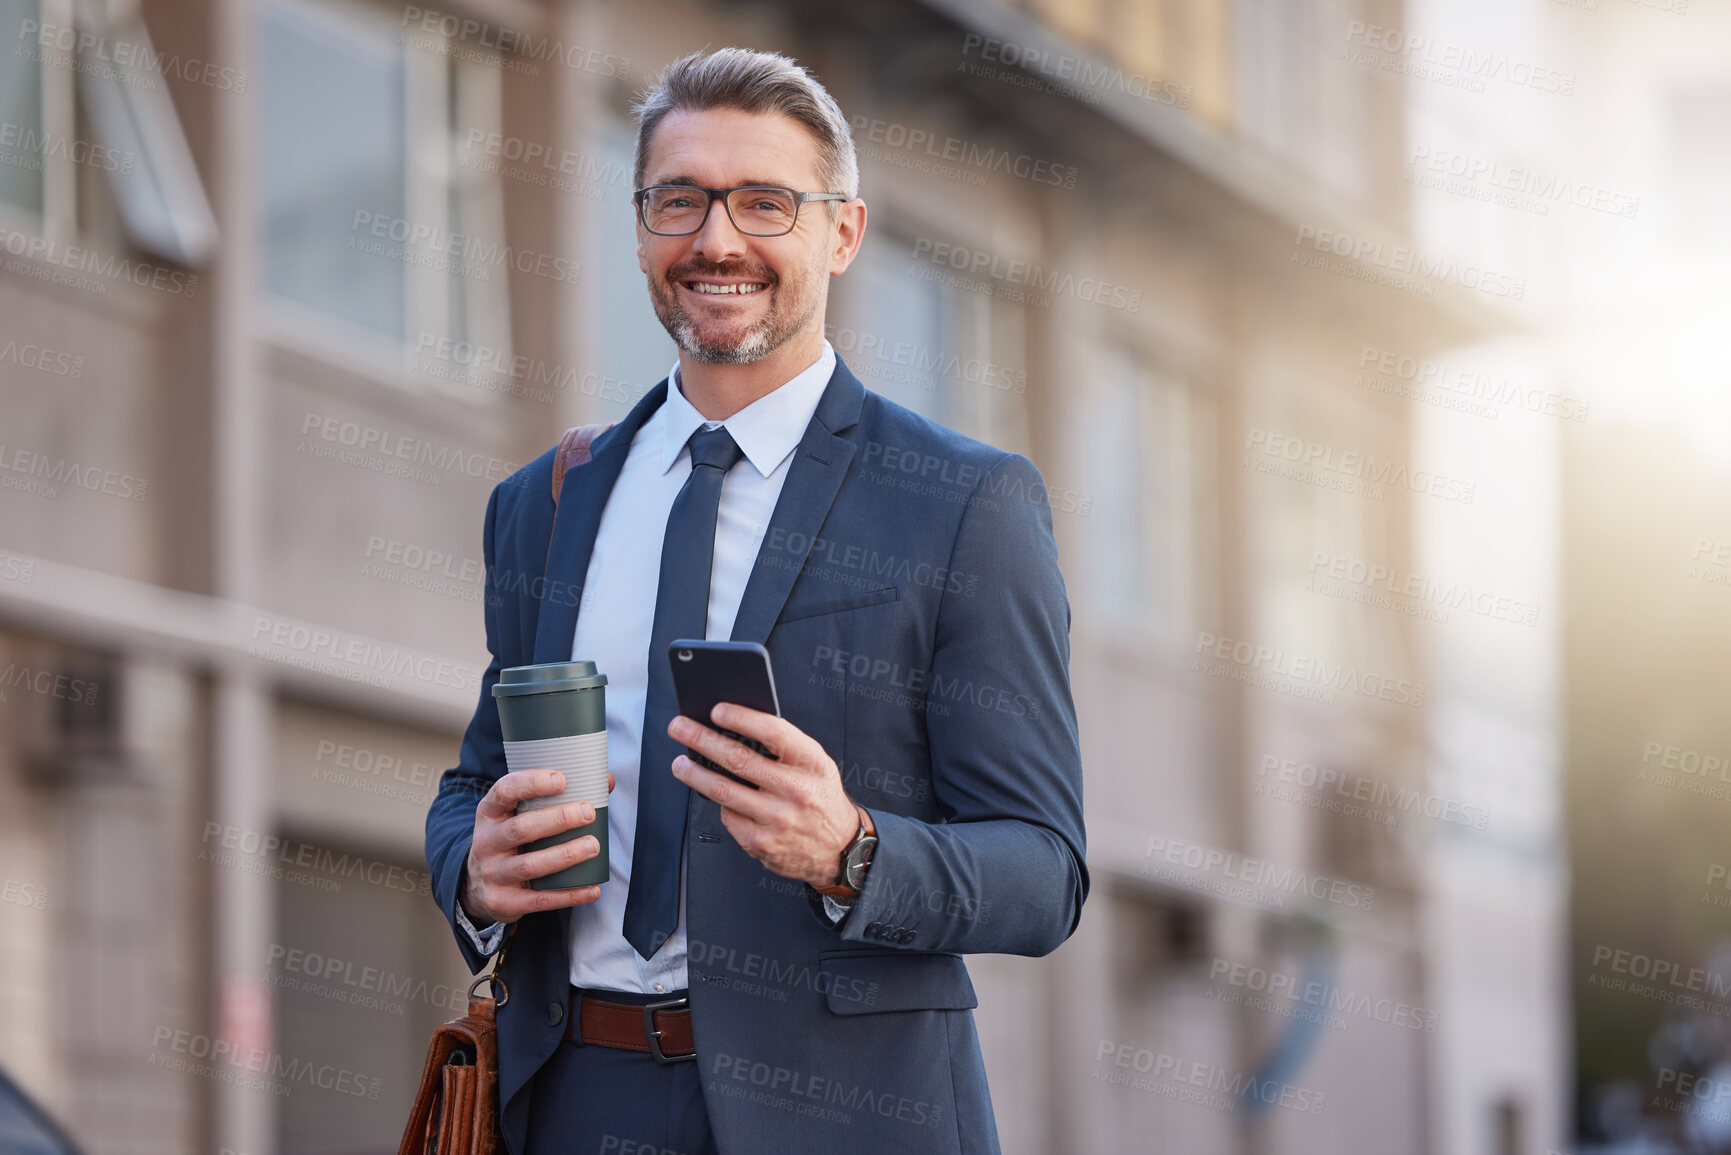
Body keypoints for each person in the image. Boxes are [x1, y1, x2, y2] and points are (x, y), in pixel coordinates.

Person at [424, 46, 1088, 1155]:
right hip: (573, 1097)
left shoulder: (964, 504)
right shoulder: (544, 501)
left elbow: (1042, 872)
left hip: (843, 1116)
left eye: (765, 203)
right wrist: (473, 871)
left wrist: (855, 850)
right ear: (640, 229)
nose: (717, 240)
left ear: (843, 231)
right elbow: (476, 777)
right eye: (680, 200)